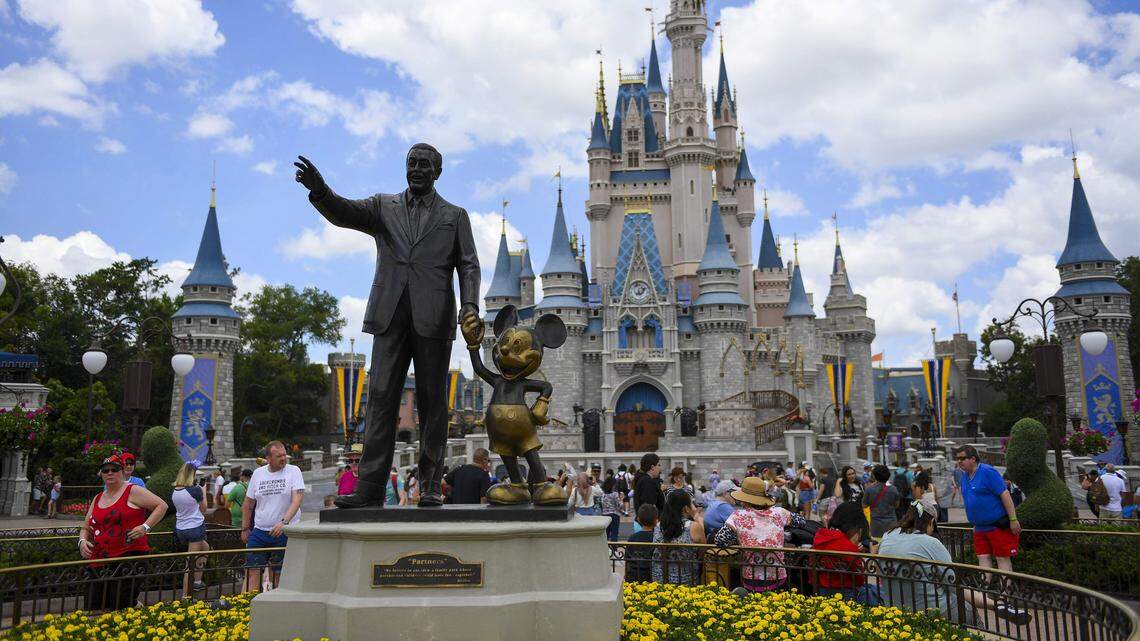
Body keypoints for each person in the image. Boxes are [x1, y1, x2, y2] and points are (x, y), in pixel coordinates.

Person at [297, 147, 481, 510]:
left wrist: (470, 305)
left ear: (438, 172)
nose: (416, 170)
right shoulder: (384, 206)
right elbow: (344, 212)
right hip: (389, 315)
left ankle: (430, 486)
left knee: (433, 405)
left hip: (434, 317)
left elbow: (469, 265)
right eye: (411, 163)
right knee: (380, 399)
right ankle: (368, 488)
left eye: (424, 165)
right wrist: (320, 191)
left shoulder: (455, 215)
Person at [879, 497, 1030, 625]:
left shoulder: (887, 536)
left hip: (894, 607)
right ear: (931, 522)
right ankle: (987, 624)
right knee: (967, 608)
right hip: (930, 610)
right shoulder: (929, 543)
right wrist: (993, 605)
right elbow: (956, 586)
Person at [79, 455, 168, 610]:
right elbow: (86, 527)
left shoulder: (132, 491)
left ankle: (134, 612)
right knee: (93, 605)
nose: (110, 473)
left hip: (128, 556)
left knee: (120, 604)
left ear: (122, 471)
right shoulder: (98, 497)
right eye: (105, 470)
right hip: (99, 558)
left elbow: (161, 505)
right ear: (101, 474)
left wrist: (145, 527)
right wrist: (81, 541)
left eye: (114, 469)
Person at [715, 477, 803, 592]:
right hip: (778, 575)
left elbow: (720, 540)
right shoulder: (779, 512)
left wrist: (740, 538)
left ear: (744, 500)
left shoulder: (738, 516)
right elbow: (801, 522)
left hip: (751, 577)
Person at [242, 441, 305, 592]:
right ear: (268, 458)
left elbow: (297, 499)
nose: (284, 458)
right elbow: (248, 503)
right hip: (260, 531)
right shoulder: (258, 474)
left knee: (279, 573)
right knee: (252, 570)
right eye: (279, 456)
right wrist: (245, 528)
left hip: (284, 531)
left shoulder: (293, 471)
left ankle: (278, 605)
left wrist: (284, 522)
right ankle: (249, 606)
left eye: (284, 455)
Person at [955, 445, 1021, 573]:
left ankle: (1005, 592)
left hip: (997, 525)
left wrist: (1013, 519)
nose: (959, 461)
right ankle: (984, 591)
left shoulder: (987, 472)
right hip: (979, 527)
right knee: (983, 557)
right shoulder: (964, 476)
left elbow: (1005, 494)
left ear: (973, 458)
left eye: (962, 458)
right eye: (957, 458)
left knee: (1002, 558)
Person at [811, 501, 882, 605]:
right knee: (879, 592)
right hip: (847, 596)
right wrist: (871, 555)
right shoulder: (847, 547)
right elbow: (860, 579)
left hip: (822, 591)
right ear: (854, 526)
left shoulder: (821, 537)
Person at [172, 461, 210, 599]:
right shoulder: (195, 490)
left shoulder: (176, 490)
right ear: (192, 474)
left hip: (181, 529)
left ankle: (198, 581)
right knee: (190, 564)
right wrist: (203, 491)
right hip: (194, 528)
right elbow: (204, 508)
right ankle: (186, 596)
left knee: (205, 548)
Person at [652, 490, 705, 585]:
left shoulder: (659, 525)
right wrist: (698, 519)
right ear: (686, 508)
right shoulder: (694, 526)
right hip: (686, 580)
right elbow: (703, 551)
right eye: (691, 503)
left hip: (659, 578)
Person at [863, 464, 899, 544]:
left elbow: (864, 505)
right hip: (891, 525)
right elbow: (897, 505)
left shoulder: (869, 489)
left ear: (875, 476)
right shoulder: (893, 489)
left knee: (877, 547)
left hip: (876, 525)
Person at [625, 504, 658, 582]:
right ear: (656, 521)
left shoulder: (632, 538)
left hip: (633, 575)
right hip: (651, 575)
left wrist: (626, 575)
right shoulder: (656, 538)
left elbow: (627, 560)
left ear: (638, 520)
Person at [600, 477, 623, 541]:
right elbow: (619, 506)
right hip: (614, 515)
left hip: (605, 515)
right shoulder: (614, 494)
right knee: (614, 534)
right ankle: (614, 549)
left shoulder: (603, 494)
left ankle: (606, 549)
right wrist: (621, 499)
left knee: (606, 534)